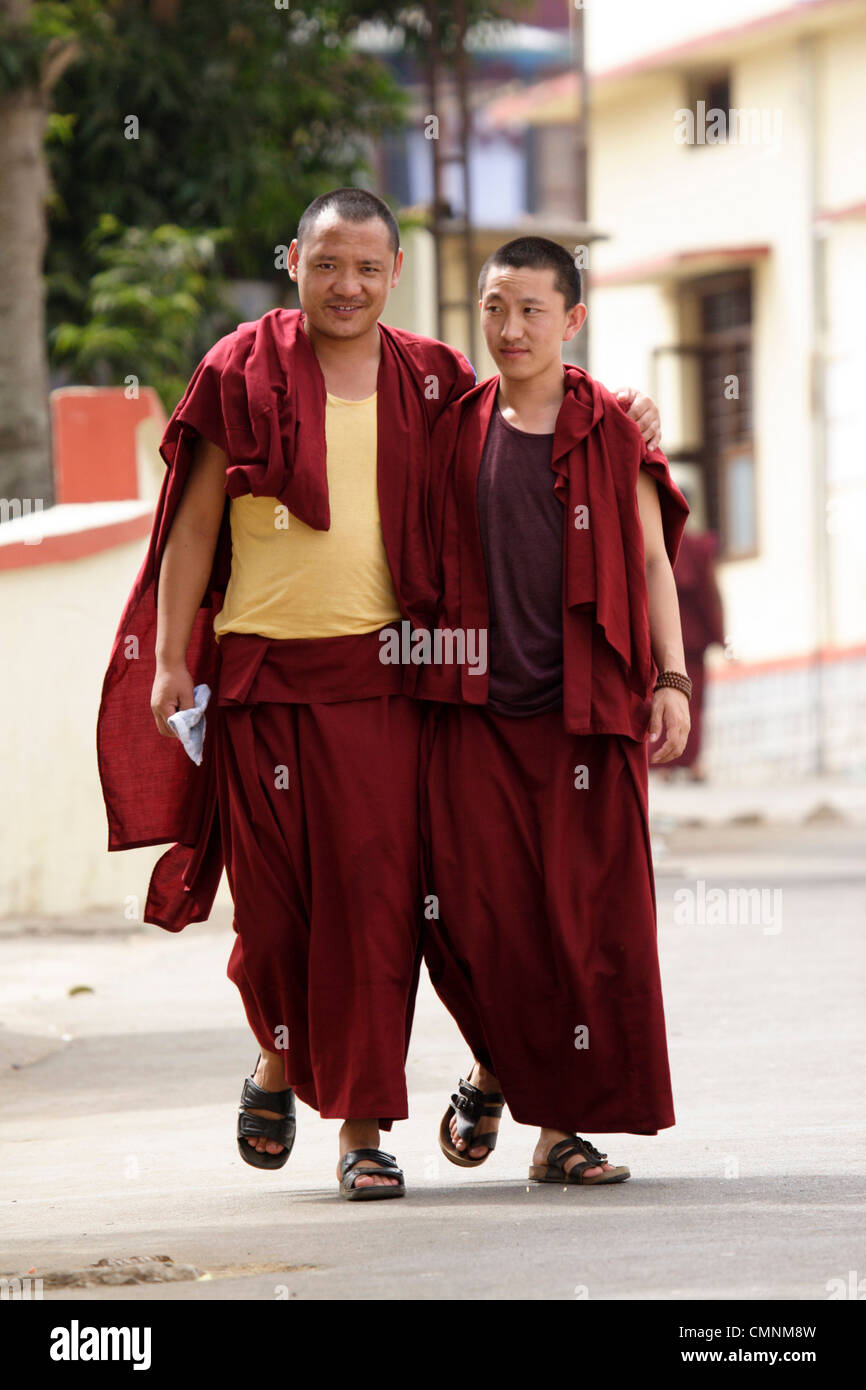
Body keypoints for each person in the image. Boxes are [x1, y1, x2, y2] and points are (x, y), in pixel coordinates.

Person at [96, 192, 663, 1200]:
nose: (345, 287)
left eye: (365, 268)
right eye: (325, 266)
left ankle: (362, 1129)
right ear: (292, 263)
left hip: (386, 678)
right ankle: (276, 1055)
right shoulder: (238, 369)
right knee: (271, 916)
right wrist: (171, 661)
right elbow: (189, 526)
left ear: (394, 272)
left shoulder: (428, 373)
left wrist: (620, 413)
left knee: (374, 908)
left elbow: (531, 402)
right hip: (258, 676)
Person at [416, 236, 691, 1185]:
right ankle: (498, 1062)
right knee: (484, 920)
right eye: (496, 307)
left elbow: (653, 560)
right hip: (478, 718)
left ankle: (559, 1131)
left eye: (533, 309)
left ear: (571, 318)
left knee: (590, 926)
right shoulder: (456, 425)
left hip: (587, 716)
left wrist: (672, 678)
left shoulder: (613, 428)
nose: (511, 328)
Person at [652, 487, 725, 781]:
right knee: (690, 701)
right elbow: (712, 595)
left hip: (665, 640)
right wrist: (720, 635)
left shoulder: (680, 546)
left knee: (666, 696)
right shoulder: (696, 547)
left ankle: (666, 765)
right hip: (690, 639)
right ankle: (688, 763)